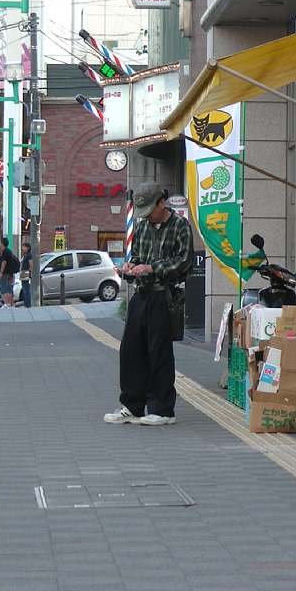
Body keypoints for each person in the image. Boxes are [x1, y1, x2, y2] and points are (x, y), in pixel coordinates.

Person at [105, 183, 193, 427]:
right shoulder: (143, 226)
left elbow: (184, 262)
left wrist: (153, 268)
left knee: (159, 352)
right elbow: (138, 258)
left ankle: (162, 409)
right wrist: (129, 269)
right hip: (141, 294)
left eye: (149, 209)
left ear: (161, 203)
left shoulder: (180, 226)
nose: (145, 215)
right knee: (130, 350)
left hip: (165, 296)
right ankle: (132, 405)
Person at [0, 237, 19, 308]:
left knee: (4, 288)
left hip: (5, 273)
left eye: (0, 242)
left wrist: (1, 272)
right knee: (9, 288)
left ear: (2, 243)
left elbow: (4, 262)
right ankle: (11, 304)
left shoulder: (5, 252)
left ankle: (7, 304)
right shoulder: (8, 251)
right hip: (10, 273)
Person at [19, 242, 33, 308]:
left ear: (28, 248)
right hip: (23, 272)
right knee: (24, 288)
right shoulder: (25, 255)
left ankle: (27, 304)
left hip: (26, 272)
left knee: (26, 288)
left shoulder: (29, 255)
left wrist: (30, 272)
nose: (22, 248)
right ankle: (26, 303)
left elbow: (31, 264)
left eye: (24, 247)